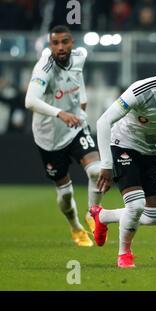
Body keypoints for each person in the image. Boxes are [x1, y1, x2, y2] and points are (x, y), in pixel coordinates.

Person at [92, 52, 156, 268]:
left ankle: (102, 217)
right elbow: (103, 122)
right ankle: (124, 254)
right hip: (124, 147)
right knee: (136, 206)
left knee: (154, 216)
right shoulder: (140, 91)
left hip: (151, 153)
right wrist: (106, 165)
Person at [25, 25, 103, 247]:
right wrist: (60, 113)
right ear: (50, 46)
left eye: (65, 42)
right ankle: (76, 227)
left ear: (72, 43)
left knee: (97, 172)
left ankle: (92, 214)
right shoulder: (44, 68)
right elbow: (30, 101)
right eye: (55, 43)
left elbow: (77, 77)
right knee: (65, 194)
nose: (60, 47)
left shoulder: (80, 57)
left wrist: (82, 99)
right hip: (49, 137)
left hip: (75, 126)